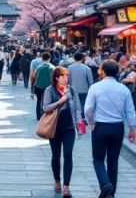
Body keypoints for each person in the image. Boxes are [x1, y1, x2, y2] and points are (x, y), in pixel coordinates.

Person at [85, 61, 136, 198]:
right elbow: (130, 111)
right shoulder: (123, 89)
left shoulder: (95, 87)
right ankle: (111, 193)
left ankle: (105, 184)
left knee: (98, 158)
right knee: (113, 160)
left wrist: (91, 123)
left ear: (103, 72)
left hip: (100, 125)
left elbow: (88, 109)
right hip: (117, 126)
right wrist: (131, 128)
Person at [41, 67, 83, 198]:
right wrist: (61, 101)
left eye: (67, 76)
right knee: (56, 155)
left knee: (68, 154)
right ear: (56, 78)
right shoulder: (50, 90)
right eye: (63, 76)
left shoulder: (71, 90)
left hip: (69, 127)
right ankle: (57, 181)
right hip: (54, 126)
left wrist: (79, 122)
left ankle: (66, 187)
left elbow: (77, 108)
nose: (66, 78)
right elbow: (45, 108)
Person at [31, 53, 55, 120]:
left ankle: (38, 115)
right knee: (49, 102)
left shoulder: (38, 67)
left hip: (38, 87)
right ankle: (47, 114)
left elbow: (34, 77)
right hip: (49, 87)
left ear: (42, 59)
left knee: (39, 101)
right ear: (49, 58)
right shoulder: (52, 67)